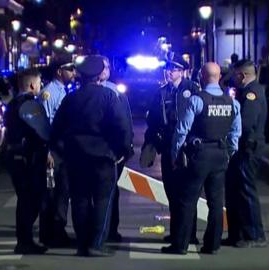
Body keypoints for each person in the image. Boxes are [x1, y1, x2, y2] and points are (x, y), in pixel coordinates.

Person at [51, 55, 133, 257]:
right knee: (103, 201)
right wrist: (122, 152)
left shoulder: (71, 98)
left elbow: (57, 129)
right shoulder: (109, 96)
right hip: (103, 157)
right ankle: (96, 243)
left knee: (80, 200)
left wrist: (64, 151)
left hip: (76, 157)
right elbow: (123, 127)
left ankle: (82, 243)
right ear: (99, 75)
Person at [162, 62, 241, 255]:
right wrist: (229, 153)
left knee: (187, 200)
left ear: (202, 77)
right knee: (215, 202)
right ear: (219, 77)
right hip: (220, 154)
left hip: (199, 155)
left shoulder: (197, 100)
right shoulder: (232, 102)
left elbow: (182, 130)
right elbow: (235, 133)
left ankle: (180, 244)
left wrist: (175, 155)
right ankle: (212, 244)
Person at [141, 56, 200, 245]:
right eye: (167, 69)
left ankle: (189, 234)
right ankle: (176, 233)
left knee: (187, 193)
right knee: (172, 192)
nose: (169, 72)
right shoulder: (161, 92)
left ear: (181, 72)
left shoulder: (192, 88)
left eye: (173, 70)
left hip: (187, 148)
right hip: (167, 146)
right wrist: (149, 144)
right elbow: (153, 120)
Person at [3, 69, 51, 255]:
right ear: (32, 84)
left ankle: (25, 239)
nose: (40, 86)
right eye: (39, 82)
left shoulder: (13, 103)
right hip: (28, 160)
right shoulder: (30, 104)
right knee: (31, 200)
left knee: (26, 199)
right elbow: (44, 132)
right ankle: (25, 240)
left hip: (17, 158)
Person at [224, 60, 268, 248]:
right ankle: (237, 234)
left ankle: (254, 235)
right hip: (242, 149)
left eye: (235, 75)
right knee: (234, 192)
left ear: (242, 75)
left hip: (248, 149)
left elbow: (246, 122)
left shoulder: (251, 94)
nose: (233, 79)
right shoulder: (246, 92)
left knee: (246, 192)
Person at [38, 56, 76, 247]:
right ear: (60, 71)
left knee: (62, 192)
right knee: (52, 193)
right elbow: (43, 125)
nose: (74, 73)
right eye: (70, 70)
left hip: (63, 149)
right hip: (54, 150)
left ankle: (57, 230)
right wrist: (48, 152)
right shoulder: (49, 93)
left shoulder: (63, 91)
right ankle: (49, 233)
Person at [100, 56, 134, 242]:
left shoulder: (115, 92)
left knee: (112, 192)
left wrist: (125, 149)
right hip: (97, 150)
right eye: (101, 67)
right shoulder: (87, 91)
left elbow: (125, 122)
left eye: (106, 67)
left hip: (112, 151)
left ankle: (111, 230)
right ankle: (99, 231)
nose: (103, 71)